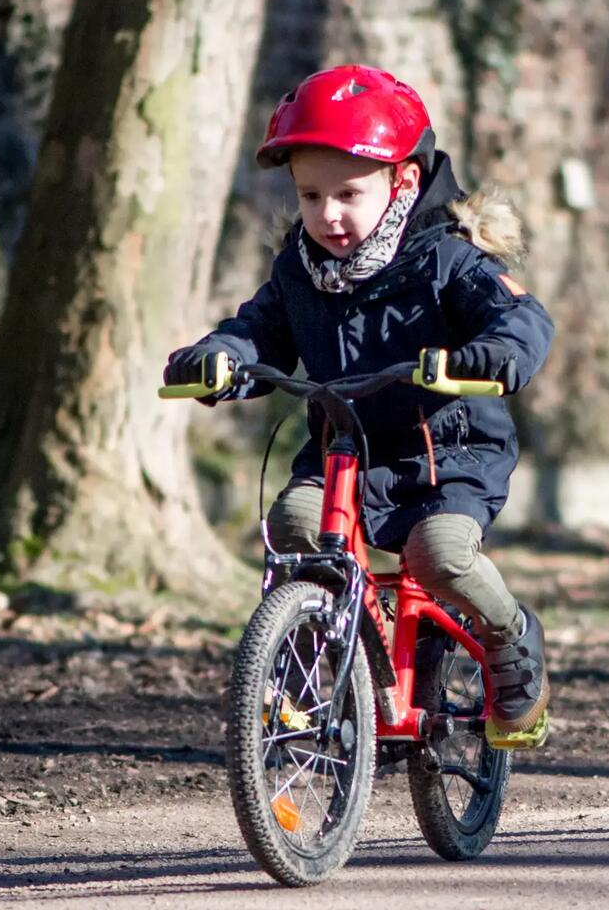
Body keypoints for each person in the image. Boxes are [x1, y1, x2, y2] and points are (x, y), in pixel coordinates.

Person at [167, 64, 556, 747]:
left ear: (401, 180)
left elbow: (522, 319)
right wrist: (219, 356)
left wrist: (491, 355)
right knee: (293, 522)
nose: (328, 214)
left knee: (438, 554)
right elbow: (261, 331)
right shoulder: (300, 268)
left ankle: (512, 637)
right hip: (344, 448)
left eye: (348, 193)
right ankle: (308, 669)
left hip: (445, 455)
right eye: (310, 195)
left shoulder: (448, 260)